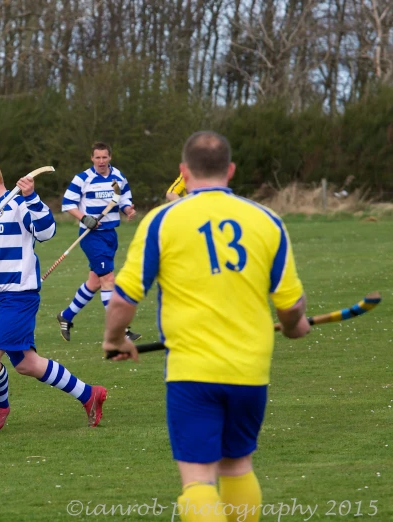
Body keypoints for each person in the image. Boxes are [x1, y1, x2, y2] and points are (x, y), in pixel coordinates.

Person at [103, 131, 311, 522]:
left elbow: (122, 299)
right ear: (231, 170)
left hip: (192, 371)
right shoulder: (267, 221)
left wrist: (114, 340)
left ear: (183, 172)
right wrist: (296, 325)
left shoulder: (162, 221)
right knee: (237, 465)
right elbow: (290, 306)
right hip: (250, 370)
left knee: (198, 481)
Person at [0, 155, 107, 434]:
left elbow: (47, 232)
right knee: (28, 364)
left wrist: (32, 196)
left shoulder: (18, 204)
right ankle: (90, 395)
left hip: (19, 296)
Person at [57, 142, 141, 342]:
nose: (101, 161)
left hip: (111, 234)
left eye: (104, 157)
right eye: (97, 157)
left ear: (110, 157)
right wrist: (84, 218)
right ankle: (120, 331)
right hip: (91, 236)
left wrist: (128, 210)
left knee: (95, 282)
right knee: (108, 280)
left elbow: (124, 200)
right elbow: (68, 204)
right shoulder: (83, 179)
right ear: (92, 158)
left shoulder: (118, 177)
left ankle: (66, 316)